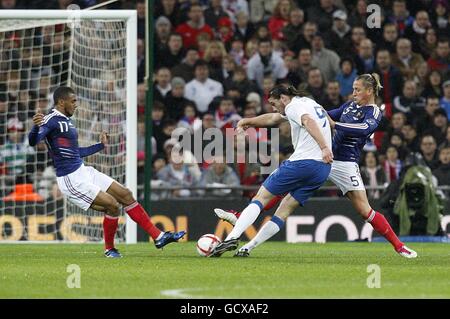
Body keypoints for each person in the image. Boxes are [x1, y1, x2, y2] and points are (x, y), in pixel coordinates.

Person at [215, 74, 417, 259]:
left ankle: (399, 246)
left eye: (357, 89)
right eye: (353, 89)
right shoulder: (348, 106)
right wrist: (250, 122)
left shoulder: (373, 112)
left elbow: (364, 129)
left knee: (364, 210)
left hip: (345, 163)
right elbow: (318, 118)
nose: (353, 93)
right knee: (283, 199)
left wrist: (335, 125)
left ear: (369, 91)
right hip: (322, 158)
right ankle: (246, 239)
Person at [28, 86, 185, 258]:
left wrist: (100, 146)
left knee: (125, 194)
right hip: (71, 179)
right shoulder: (50, 119)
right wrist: (36, 127)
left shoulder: (66, 121)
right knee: (112, 205)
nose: (76, 105)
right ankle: (109, 249)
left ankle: (159, 236)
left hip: (83, 170)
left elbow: (75, 153)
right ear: (61, 102)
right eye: (73, 101)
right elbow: (33, 141)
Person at [210, 84, 333, 257]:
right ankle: (247, 248)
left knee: (261, 197)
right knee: (284, 210)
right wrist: (247, 121)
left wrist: (324, 148)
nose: (273, 107)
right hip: (322, 169)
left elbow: (308, 121)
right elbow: (273, 119)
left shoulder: (293, 106)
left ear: (283, 98)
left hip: (303, 163)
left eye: (274, 103)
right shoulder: (310, 103)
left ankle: (232, 237)